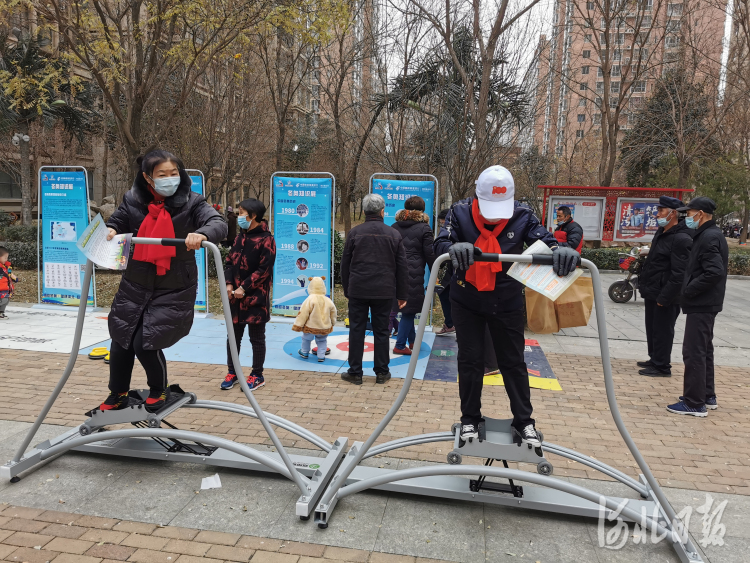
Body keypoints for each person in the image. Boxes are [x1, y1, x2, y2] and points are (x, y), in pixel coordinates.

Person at [434, 165, 578, 443]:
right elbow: (440, 242)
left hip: (507, 298)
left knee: (513, 362)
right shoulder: (459, 212)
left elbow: (545, 240)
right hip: (467, 297)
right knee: (470, 360)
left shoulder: (522, 214)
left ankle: (524, 421)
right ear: (477, 195)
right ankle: (469, 418)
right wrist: (452, 248)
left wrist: (561, 250)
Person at [103, 150, 227, 411]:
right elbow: (118, 219)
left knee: (145, 341)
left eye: (174, 173)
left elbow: (217, 223)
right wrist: (112, 228)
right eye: (162, 175)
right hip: (136, 282)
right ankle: (118, 393)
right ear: (148, 178)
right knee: (121, 338)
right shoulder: (133, 200)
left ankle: (158, 389)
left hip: (174, 285)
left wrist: (202, 233)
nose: (170, 179)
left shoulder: (193, 202)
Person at [667, 197, 728, 417]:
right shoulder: (709, 234)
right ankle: (706, 395)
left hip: (702, 302)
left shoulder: (709, 236)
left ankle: (694, 403)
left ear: (700, 214)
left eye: (690, 213)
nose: (687, 217)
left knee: (693, 352)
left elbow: (714, 271)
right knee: (704, 350)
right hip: (705, 302)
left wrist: (689, 289)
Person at [340, 193, 408, 385]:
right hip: (384, 291)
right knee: (381, 331)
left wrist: (348, 289)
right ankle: (382, 372)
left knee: (356, 330)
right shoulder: (393, 234)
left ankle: (355, 372)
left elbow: (345, 264)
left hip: (358, 289)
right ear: (382, 211)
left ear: (363, 211)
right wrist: (402, 294)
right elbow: (402, 267)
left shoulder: (355, 233)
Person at [221, 199, 276, 391]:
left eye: (242, 212)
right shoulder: (239, 237)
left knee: (256, 337)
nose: (239, 216)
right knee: (233, 336)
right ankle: (232, 371)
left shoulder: (266, 239)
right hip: (234, 298)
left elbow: (264, 269)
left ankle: (257, 374)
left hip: (255, 299)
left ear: (253, 216)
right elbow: (229, 261)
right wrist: (229, 284)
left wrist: (243, 288)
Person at [637, 196, 693, 377]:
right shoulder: (662, 232)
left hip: (665, 294)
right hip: (653, 290)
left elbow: (679, 273)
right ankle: (655, 358)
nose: (657, 214)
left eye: (661, 211)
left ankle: (662, 366)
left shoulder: (681, 238)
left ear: (673, 214)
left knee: (663, 330)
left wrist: (666, 296)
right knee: (653, 328)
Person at [390, 196, 437, 355]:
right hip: (414, 274)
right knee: (409, 311)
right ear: (422, 211)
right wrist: (435, 273)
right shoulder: (425, 228)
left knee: (406, 308)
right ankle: (400, 345)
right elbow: (430, 254)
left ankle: (412, 341)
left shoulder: (394, 226)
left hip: (395, 273)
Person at [293, 276, 337, 362]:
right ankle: (321, 355)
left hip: (310, 326)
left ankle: (304, 352)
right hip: (324, 326)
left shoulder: (309, 299)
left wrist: (298, 324)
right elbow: (333, 312)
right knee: (322, 340)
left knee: (306, 339)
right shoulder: (327, 300)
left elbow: (303, 313)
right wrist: (333, 322)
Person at [434, 209, 455, 336]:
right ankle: (450, 323)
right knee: (444, 294)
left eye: (444, 223)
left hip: (456, 270)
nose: (443, 226)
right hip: (446, 270)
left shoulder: (459, 231)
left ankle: (452, 324)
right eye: (441, 224)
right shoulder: (442, 235)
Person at [0, 246, 17, 320]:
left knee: (6, 300)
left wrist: (15, 278)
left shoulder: (6, 266)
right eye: (5, 258)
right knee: (3, 300)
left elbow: (9, 275)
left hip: (5, 287)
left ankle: (1, 313)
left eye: (7, 257)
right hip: (1, 287)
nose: (6, 259)